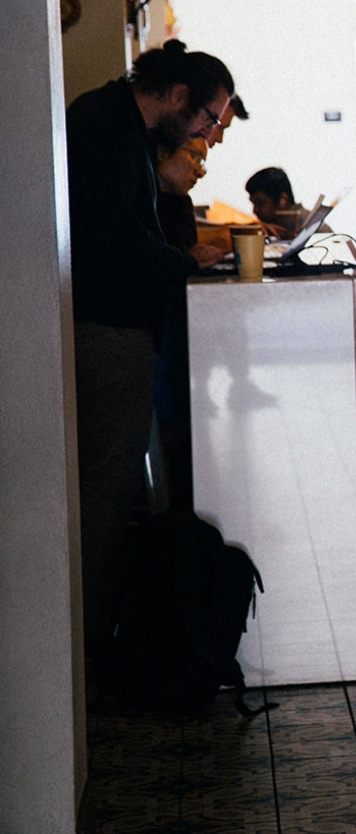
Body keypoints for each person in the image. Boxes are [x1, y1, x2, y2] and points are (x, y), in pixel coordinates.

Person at [68, 39, 234, 661]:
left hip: (107, 323)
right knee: (103, 491)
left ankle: (91, 642)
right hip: (105, 326)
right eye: (209, 119)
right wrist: (182, 260)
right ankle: (87, 652)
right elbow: (114, 238)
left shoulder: (114, 124)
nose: (207, 135)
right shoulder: (108, 127)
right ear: (179, 96)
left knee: (106, 489)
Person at [245, 166, 302, 237]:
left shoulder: (310, 227)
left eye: (260, 203)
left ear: (282, 200)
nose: (255, 210)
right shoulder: (266, 228)